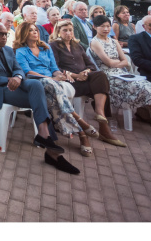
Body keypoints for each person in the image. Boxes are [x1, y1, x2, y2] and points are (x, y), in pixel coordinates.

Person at [0, 23, 78, 175]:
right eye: (0, 34)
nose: (4, 37)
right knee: (41, 100)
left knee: (36, 86)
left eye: (5, 34)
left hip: (16, 85)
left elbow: (18, 69)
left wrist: (17, 76)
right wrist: (10, 79)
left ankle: (43, 134)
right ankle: (52, 153)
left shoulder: (9, 50)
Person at [14, 22, 99, 157]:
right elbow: (27, 72)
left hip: (52, 84)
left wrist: (59, 75)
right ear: (24, 33)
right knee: (52, 84)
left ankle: (81, 133)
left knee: (52, 99)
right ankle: (81, 128)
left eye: (36, 29)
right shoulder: (20, 51)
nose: (35, 32)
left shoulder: (46, 48)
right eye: (31, 30)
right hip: (35, 82)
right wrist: (52, 79)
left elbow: (54, 68)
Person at [49, 20, 124, 147]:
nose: (68, 33)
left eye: (70, 30)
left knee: (100, 75)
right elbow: (54, 68)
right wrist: (75, 75)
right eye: (65, 30)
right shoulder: (54, 45)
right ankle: (104, 129)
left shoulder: (77, 45)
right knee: (100, 85)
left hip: (84, 78)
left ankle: (100, 114)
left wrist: (85, 72)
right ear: (58, 32)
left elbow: (90, 65)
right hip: (69, 81)